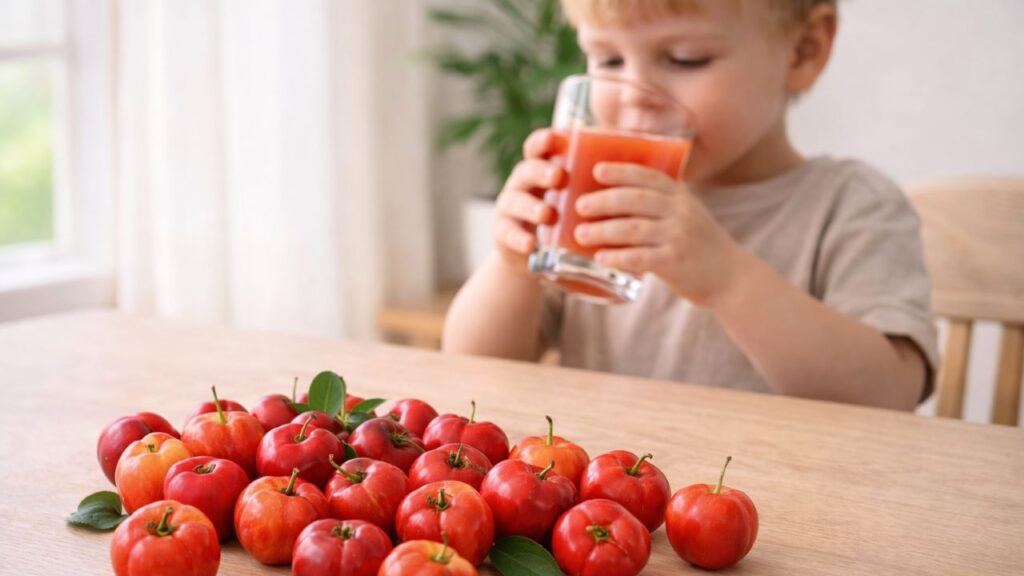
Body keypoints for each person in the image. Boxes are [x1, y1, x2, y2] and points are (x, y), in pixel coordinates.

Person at [442, 0, 938, 411]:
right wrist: (512, 265)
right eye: (608, 60)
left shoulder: (851, 205)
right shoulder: (595, 200)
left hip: (771, 497)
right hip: (608, 493)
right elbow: (470, 364)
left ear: (803, 51)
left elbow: (888, 395)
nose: (635, 96)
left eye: (685, 59)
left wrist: (728, 280)